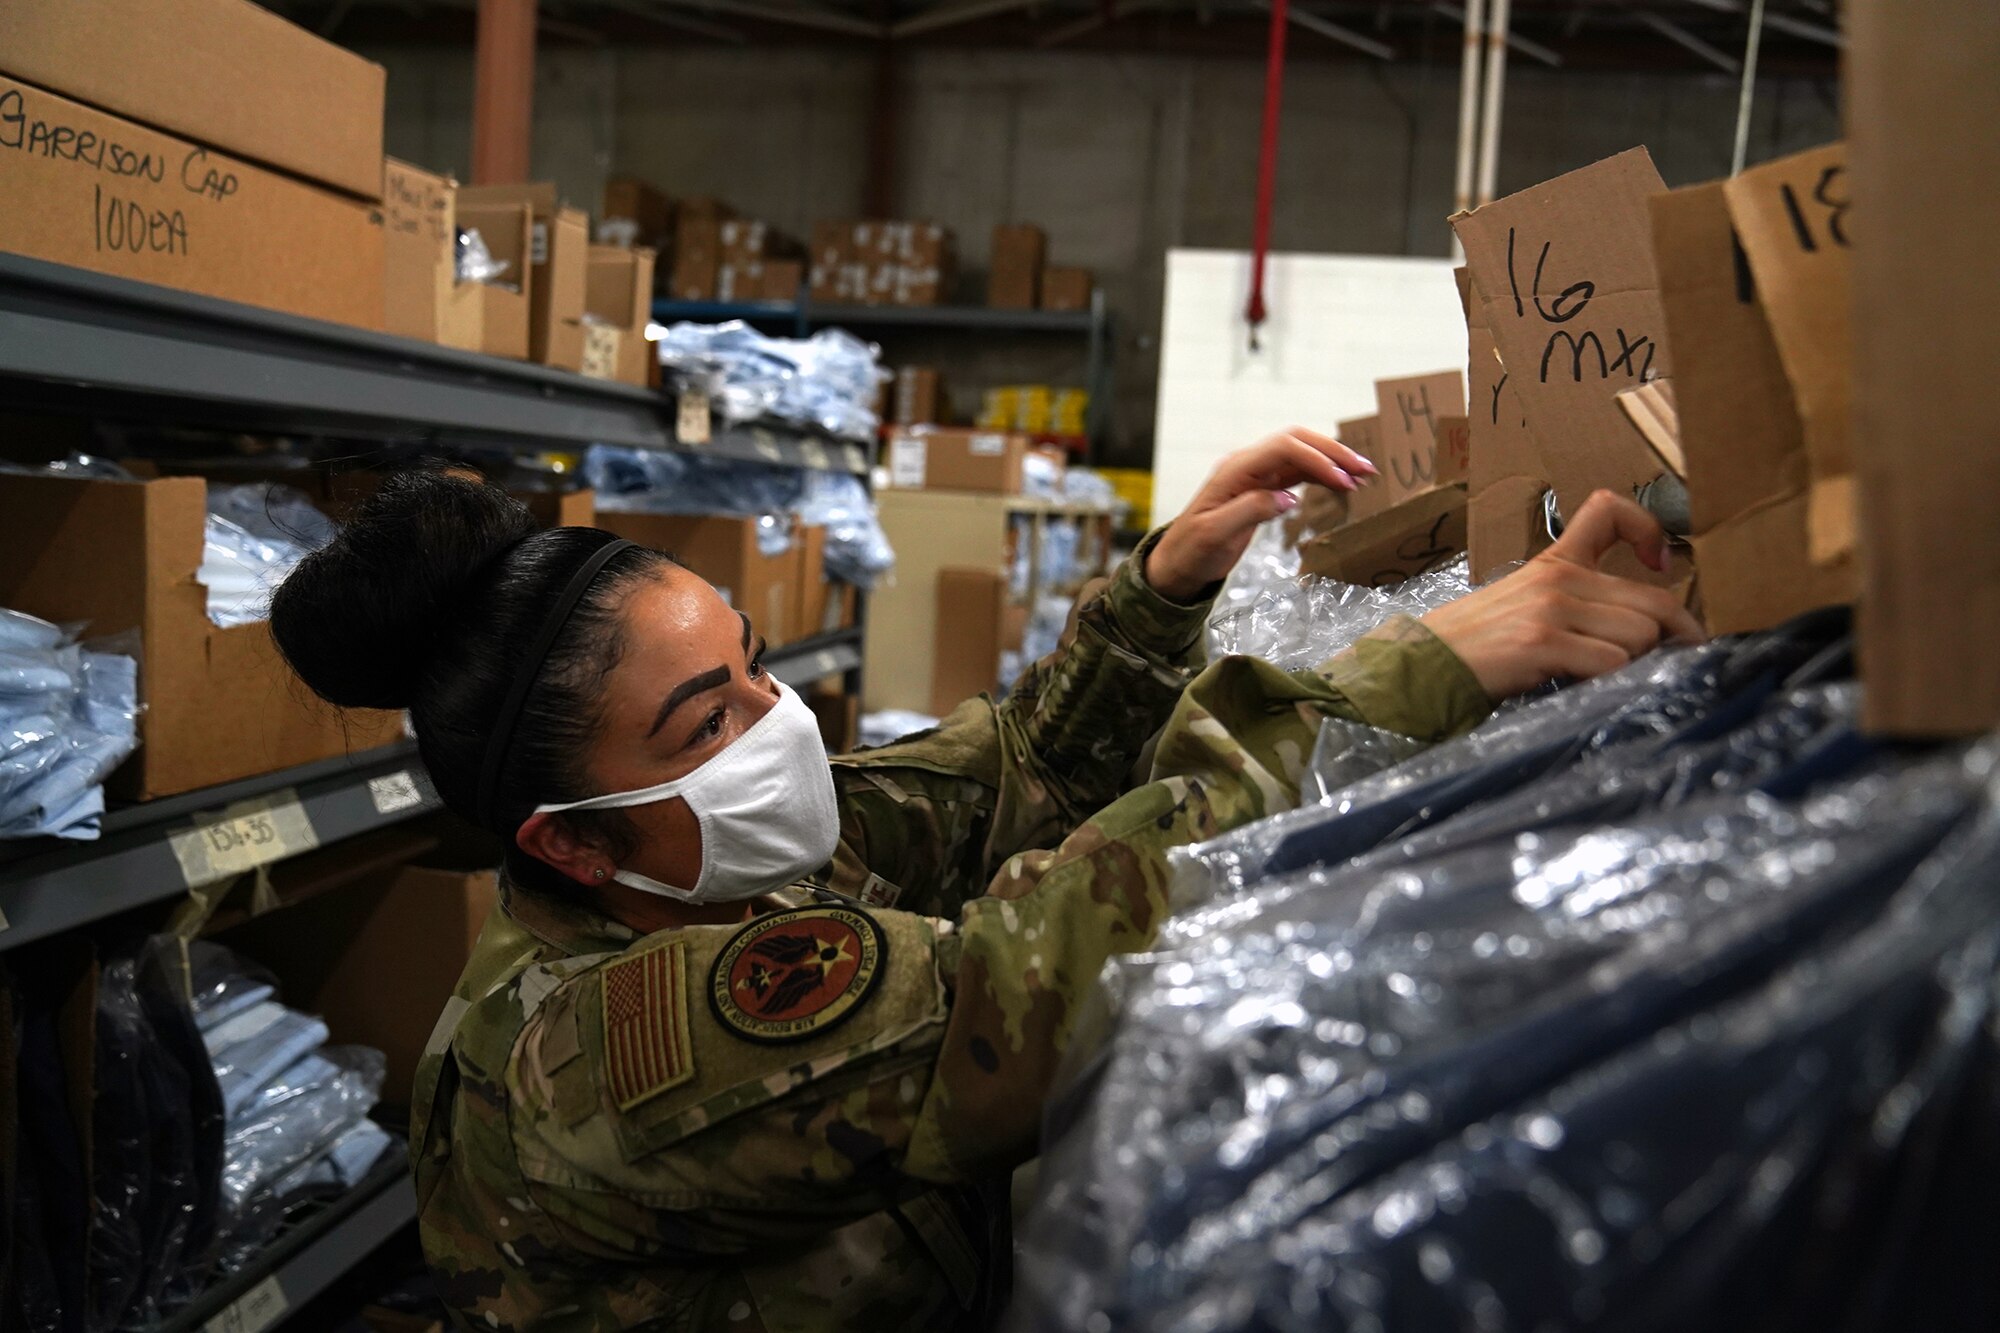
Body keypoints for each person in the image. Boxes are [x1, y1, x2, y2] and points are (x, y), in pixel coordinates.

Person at [269, 431, 1701, 1333]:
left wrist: (1164, 583)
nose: (778, 727)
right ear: (565, 843)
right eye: (708, 719)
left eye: (759, 666)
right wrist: (1412, 669)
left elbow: (1002, 773)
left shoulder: (698, 866)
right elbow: (1024, 983)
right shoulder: (602, 1052)